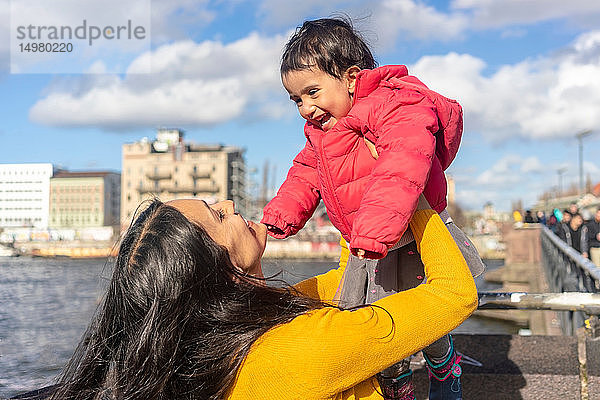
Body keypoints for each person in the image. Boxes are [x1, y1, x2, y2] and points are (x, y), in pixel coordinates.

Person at [44, 196, 477, 400]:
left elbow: (344, 280)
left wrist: (358, 204)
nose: (230, 203)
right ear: (217, 269)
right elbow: (454, 293)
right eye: (218, 215)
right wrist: (407, 193)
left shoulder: (214, 347)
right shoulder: (298, 347)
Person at [261, 17, 483, 399]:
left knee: (423, 311)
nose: (305, 108)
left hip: (409, 237)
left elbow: (402, 163)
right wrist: (279, 217)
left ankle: (444, 364)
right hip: (370, 242)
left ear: (350, 78)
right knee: (376, 317)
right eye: (296, 99)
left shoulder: (395, 103)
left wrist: (376, 228)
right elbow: (304, 175)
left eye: (312, 92)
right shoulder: (322, 134)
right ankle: (395, 381)